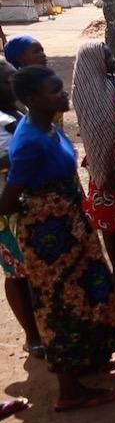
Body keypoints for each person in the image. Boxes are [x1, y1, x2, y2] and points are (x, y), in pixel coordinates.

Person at [0, 66, 115, 411]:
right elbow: (9, 199)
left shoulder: (47, 128)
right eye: (55, 91)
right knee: (61, 304)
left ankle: (89, 359)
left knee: (87, 291)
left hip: (71, 226)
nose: (64, 95)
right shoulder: (29, 142)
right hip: (50, 238)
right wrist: (46, 211)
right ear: (33, 99)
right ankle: (69, 390)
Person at [71, 42, 115, 289]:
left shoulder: (113, 82)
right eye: (107, 56)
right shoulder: (87, 91)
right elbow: (97, 131)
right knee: (111, 220)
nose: (113, 60)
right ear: (94, 61)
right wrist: (108, 164)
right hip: (104, 164)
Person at [0, 60, 43, 359]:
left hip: (31, 202)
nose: (14, 85)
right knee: (16, 272)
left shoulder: (17, 112)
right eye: (8, 80)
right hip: (9, 208)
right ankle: (32, 335)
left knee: (34, 270)